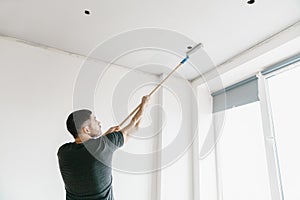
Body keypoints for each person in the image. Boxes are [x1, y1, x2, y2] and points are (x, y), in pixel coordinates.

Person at [57, 95, 150, 200]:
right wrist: (144, 105)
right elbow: (134, 126)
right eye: (95, 120)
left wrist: (105, 137)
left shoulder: (63, 152)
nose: (99, 123)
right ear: (86, 130)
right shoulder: (103, 145)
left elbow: (89, 150)